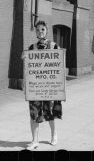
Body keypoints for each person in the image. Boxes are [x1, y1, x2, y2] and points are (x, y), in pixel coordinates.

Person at [21, 20, 62, 150]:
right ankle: (34, 141)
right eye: (38, 30)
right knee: (34, 114)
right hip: (35, 86)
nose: (40, 32)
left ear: (47, 30)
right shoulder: (31, 48)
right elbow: (27, 67)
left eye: (42, 29)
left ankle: (54, 135)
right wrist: (24, 81)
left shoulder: (54, 46)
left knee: (50, 113)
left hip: (49, 86)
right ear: (36, 32)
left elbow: (60, 64)